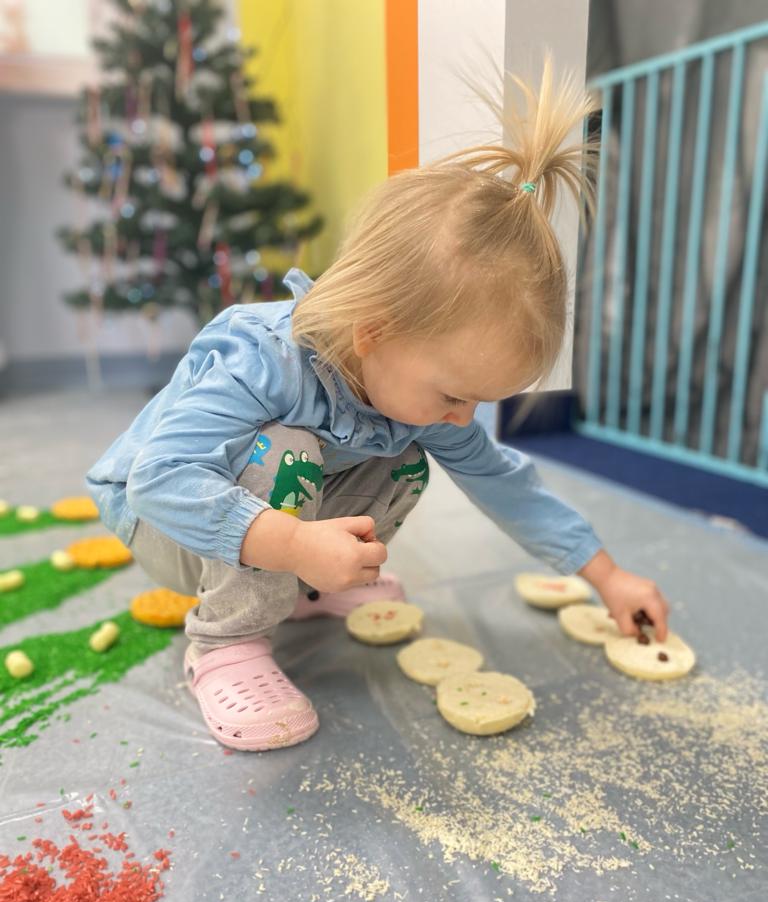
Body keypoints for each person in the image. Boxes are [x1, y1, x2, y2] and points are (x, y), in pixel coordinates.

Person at [86, 57, 669, 753]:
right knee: (289, 451)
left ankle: (305, 588)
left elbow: (502, 481)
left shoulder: (412, 389)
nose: (463, 416)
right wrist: (296, 545)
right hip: (165, 523)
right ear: (374, 332)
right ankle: (225, 643)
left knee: (408, 456)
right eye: (455, 394)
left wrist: (608, 575)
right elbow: (160, 480)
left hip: (260, 525)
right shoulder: (262, 359)